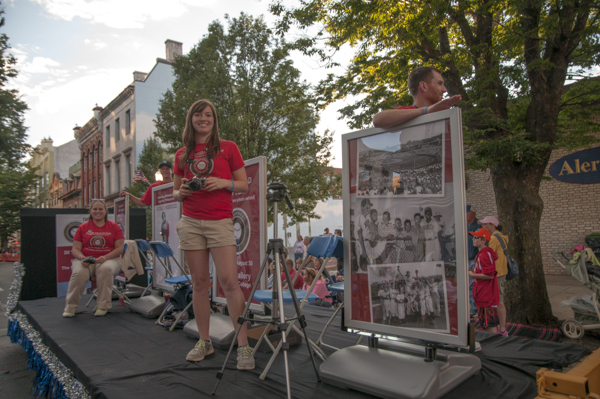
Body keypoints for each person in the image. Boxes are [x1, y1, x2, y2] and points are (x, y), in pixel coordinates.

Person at [172, 99, 254, 370]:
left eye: (208, 115)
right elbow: (174, 191)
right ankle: (204, 341)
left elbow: (243, 183)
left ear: (214, 120)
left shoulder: (228, 147)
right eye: (198, 114)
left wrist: (224, 183)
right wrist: (180, 192)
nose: (203, 119)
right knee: (199, 283)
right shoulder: (182, 154)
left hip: (220, 221)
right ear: (191, 119)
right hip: (191, 221)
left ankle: (243, 346)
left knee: (230, 282)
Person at [63, 199, 125, 317]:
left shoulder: (114, 227)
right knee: (78, 273)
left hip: (110, 259)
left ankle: (103, 306)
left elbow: (119, 249)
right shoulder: (82, 227)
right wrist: (82, 258)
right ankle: (70, 307)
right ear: (90, 211)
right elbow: (75, 249)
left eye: (100, 209)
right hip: (87, 260)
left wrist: (105, 257)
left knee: (106, 269)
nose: (98, 211)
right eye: (95, 209)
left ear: (106, 211)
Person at [372, 66, 462, 128]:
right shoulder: (405, 114)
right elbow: (377, 120)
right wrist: (426, 111)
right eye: (439, 84)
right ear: (423, 86)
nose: (444, 89)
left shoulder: (448, 118)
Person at [479, 216, 509, 336]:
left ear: (492, 225)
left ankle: (502, 329)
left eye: (485, 224)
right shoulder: (499, 237)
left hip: (496, 274)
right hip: (499, 273)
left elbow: (487, 255)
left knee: (499, 301)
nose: (483, 226)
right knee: (497, 301)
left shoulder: (494, 239)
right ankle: (500, 327)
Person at [468, 228, 499, 333]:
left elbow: (490, 275)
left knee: (489, 323)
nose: (473, 239)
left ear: (483, 240)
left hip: (486, 295)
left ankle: (493, 344)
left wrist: (473, 274)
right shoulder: (482, 254)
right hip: (482, 295)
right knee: (486, 323)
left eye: (476, 237)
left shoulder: (484, 254)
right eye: (473, 237)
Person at [466, 205, 479, 317]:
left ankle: (475, 310)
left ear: (472, 213)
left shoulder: (478, 226)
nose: (465, 215)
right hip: (465, 260)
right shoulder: (464, 226)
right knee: (468, 286)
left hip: (474, 260)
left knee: (473, 286)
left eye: (467, 212)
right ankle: (473, 309)